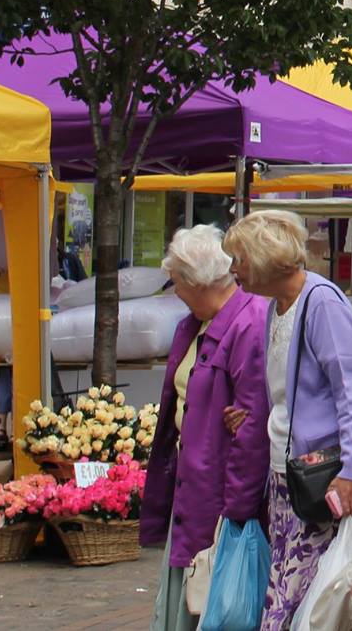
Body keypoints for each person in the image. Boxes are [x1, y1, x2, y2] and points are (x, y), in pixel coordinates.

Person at [224, 209, 352, 629]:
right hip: (288, 475)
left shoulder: (321, 302)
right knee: (291, 596)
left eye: (238, 258)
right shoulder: (277, 307)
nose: (233, 269)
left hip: (321, 479)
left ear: (261, 257)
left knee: (299, 603)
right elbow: (287, 389)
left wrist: (350, 472)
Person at [141, 225, 270, 631]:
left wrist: (238, 513)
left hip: (220, 495)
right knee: (189, 589)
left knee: (215, 600)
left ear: (196, 281)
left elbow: (251, 428)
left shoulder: (247, 324)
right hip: (192, 487)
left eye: (177, 280)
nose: (174, 289)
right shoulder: (192, 324)